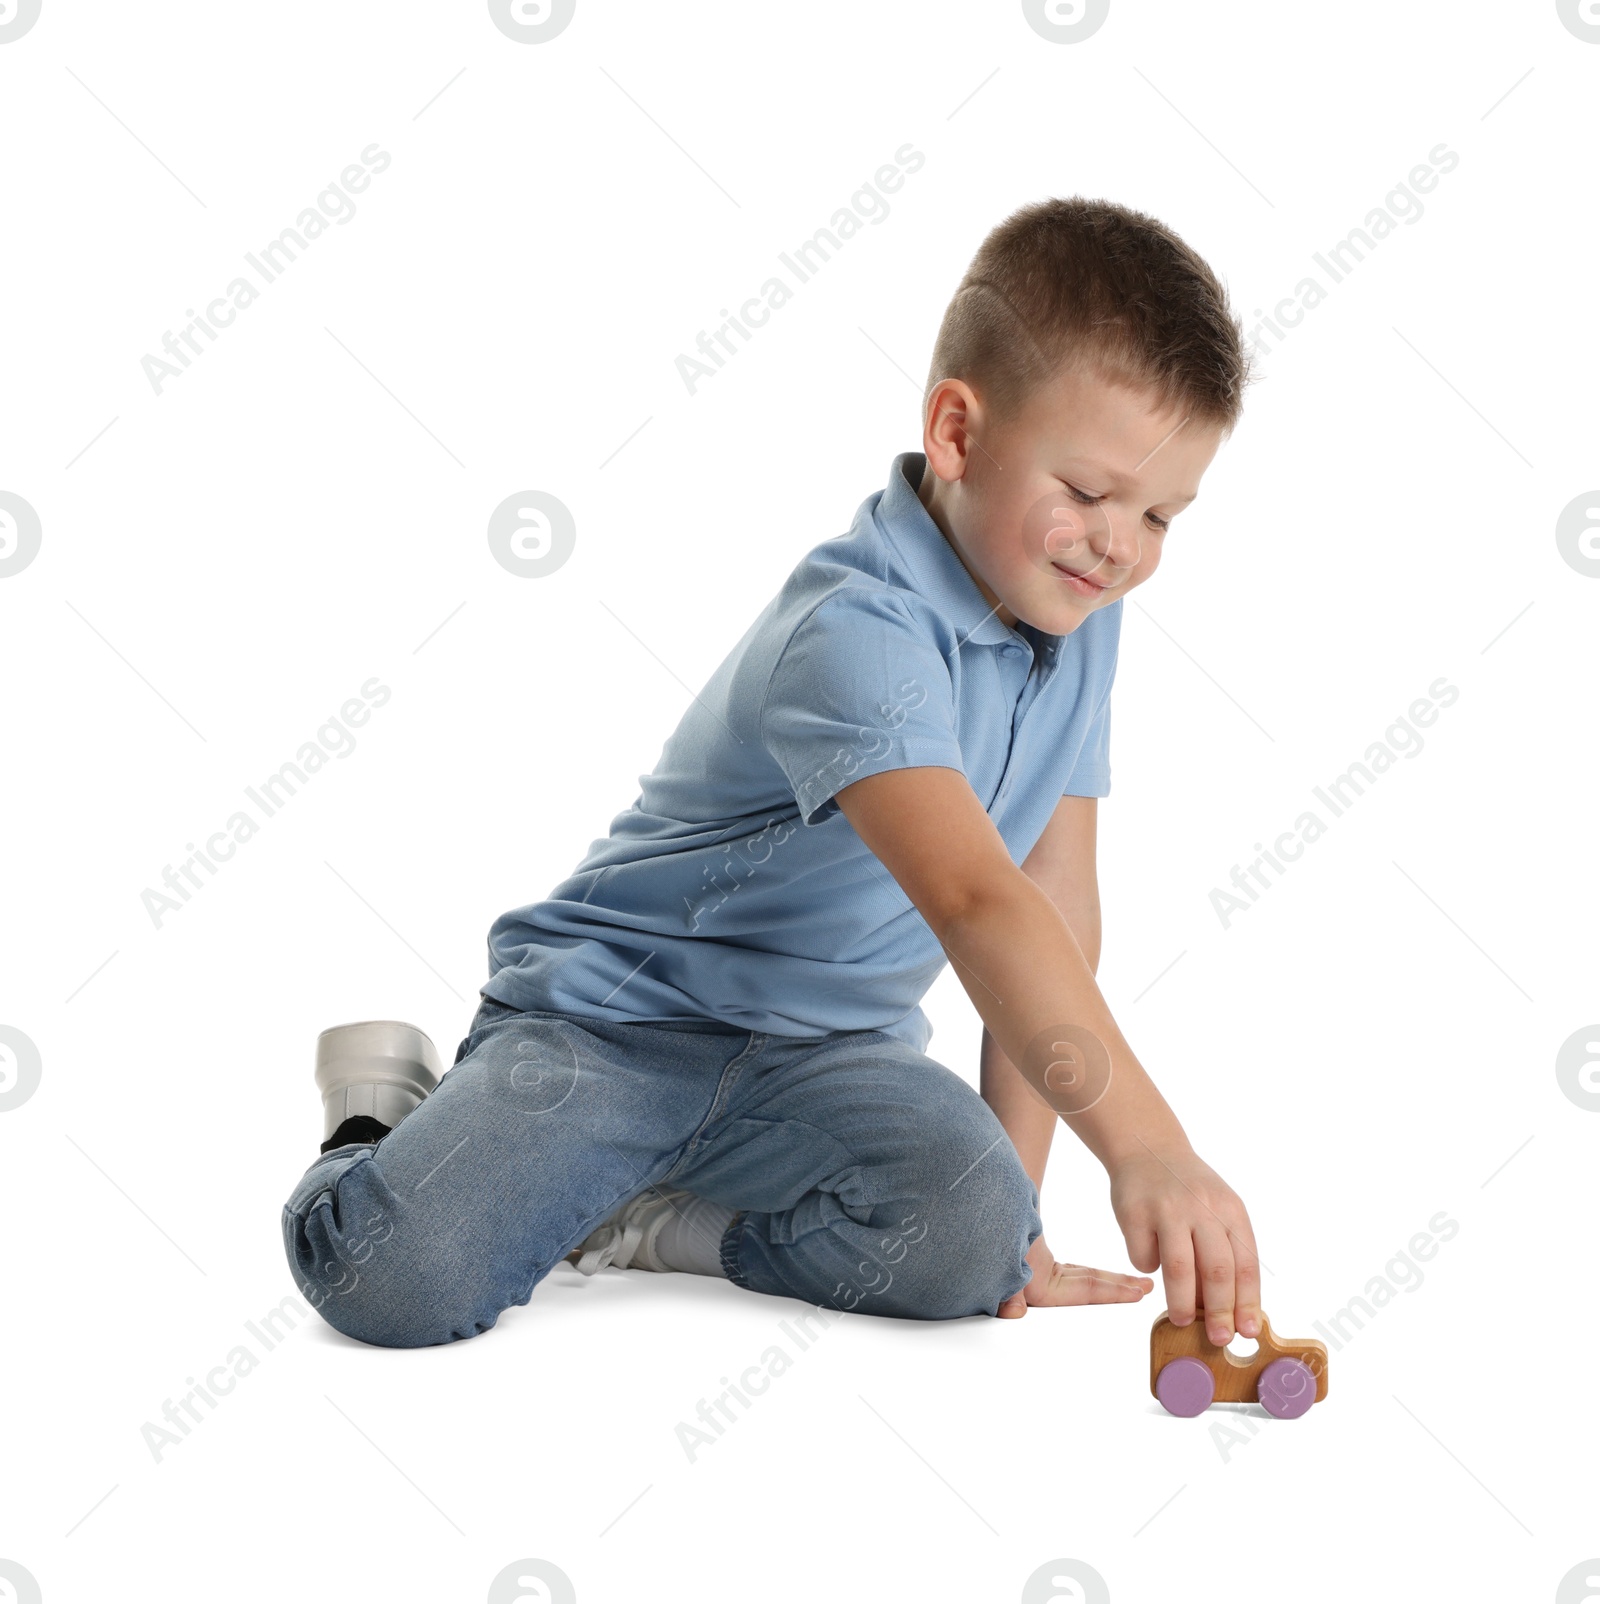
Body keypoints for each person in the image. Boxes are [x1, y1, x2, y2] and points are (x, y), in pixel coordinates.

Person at [282, 195, 1263, 1349]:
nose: (1122, 546)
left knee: (965, 1238)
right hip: (616, 1025)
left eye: (1160, 514)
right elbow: (975, 900)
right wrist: (1147, 1145)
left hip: (826, 1060)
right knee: (396, 1281)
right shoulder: (859, 630)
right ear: (956, 433)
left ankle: (659, 1221)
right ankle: (380, 1118)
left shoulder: (1079, 620)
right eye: (1091, 494)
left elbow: (1052, 901)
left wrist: (1024, 1215)